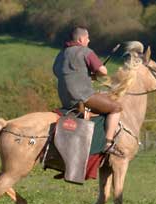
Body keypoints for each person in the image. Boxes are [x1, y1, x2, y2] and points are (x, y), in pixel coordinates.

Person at [52, 26, 122, 154]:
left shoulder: (61, 54)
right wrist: (95, 74)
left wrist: (85, 76)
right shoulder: (85, 51)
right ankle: (108, 143)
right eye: (87, 38)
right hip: (83, 97)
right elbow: (103, 71)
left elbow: (58, 73)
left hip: (65, 100)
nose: (89, 40)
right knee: (116, 107)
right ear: (80, 39)